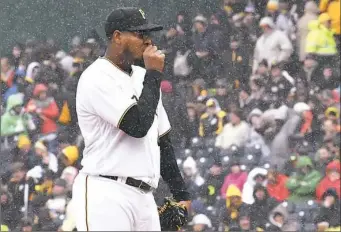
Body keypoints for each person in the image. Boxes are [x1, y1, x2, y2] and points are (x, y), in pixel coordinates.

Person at [73, 7, 190, 231]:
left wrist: (181, 193)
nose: (147, 41)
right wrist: (154, 74)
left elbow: (162, 141)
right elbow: (137, 126)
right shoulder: (96, 77)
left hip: (144, 196)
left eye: (148, 34)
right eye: (139, 34)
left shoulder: (143, 77)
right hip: (106, 191)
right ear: (117, 36)